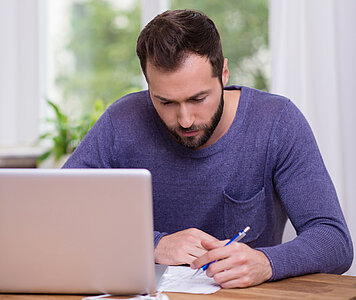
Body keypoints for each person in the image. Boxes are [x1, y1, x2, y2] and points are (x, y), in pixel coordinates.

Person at [63, 10, 353, 287]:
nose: (185, 119)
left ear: (223, 73)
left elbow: (334, 241)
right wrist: (153, 244)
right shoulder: (123, 119)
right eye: (165, 102)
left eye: (198, 98)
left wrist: (266, 262)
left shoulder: (277, 122)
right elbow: (62, 214)